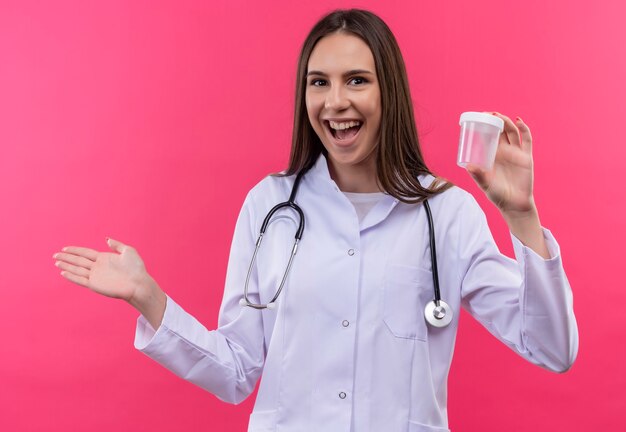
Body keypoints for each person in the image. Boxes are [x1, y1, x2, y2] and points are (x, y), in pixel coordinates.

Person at [53, 9, 578, 432]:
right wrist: (148, 297)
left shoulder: (447, 213)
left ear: (387, 91)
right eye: (318, 82)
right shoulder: (270, 206)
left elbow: (553, 349)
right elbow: (236, 371)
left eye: (356, 80)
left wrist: (522, 216)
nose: (335, 102)